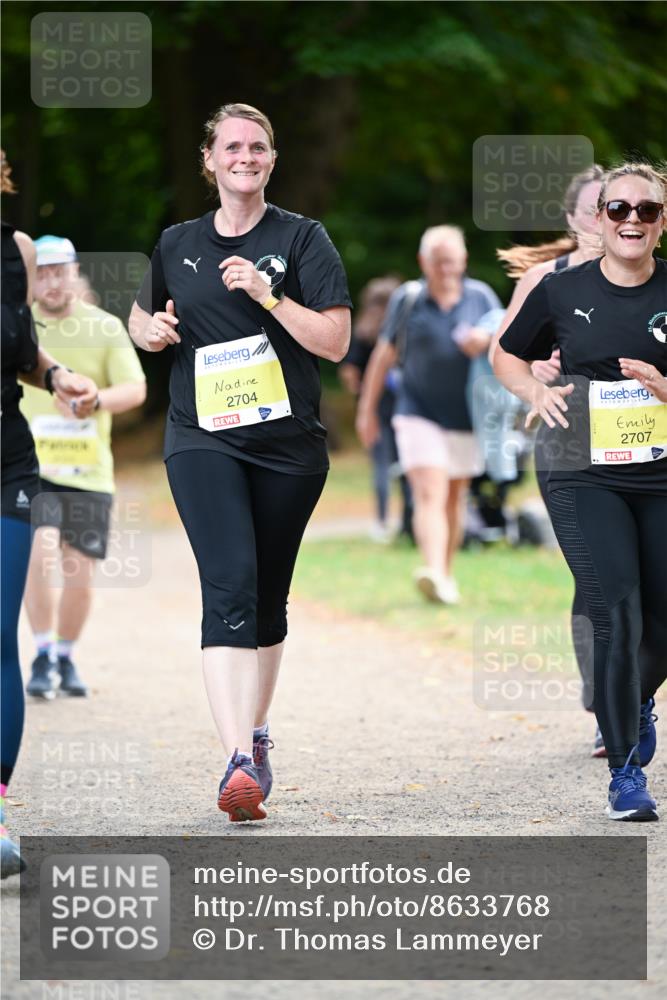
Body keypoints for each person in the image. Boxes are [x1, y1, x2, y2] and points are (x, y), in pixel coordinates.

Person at [128, 103, 351, 822]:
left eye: (258, 147)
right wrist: (154, 332)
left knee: (266, 599)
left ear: (271, 160)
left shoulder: (302, 238)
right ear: (210, 159)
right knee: (228, 584)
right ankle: (235, 761)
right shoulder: (176, 243)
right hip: (203, 437)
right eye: (232, 146)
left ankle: (255, 732)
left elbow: (336, 342)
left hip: (288, 448)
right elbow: (139, 317)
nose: (245, 156)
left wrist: (269, 293)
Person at [493, 161, 667, 821]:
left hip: (658, 470)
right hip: (578, 469)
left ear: (659, 222)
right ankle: (625, 773)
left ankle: (631, 696)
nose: (628, 220)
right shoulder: (560, 291)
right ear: (597, 219)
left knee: (659, 617)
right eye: (616, 209)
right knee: (615, 611)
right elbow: (505, 353)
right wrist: (532, 388)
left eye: (643, 211)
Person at [1, 152, 98, 876]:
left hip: (7, 460)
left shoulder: (18, 249)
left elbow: (23, 348)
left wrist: (58, 375)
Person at [491, 165, 606, 754]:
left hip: (641, 441)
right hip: (568, 438)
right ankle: (607, 701)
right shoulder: (545, 280)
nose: (608, 220)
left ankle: (626, 693)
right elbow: (506, 353)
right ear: (572, 219)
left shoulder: (651, 281)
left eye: (619, 207)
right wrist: (535, 376)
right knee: (595, 576)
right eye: (595, 209)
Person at [20, 236, 146, 699]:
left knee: (79, 573)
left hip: (89, 471)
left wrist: (96, 402)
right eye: (43, 272)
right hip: (30, 468)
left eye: (61, 271)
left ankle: (66, 655)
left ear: (76, 273)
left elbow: (135, 390)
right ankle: (40, 650)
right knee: (39, 549)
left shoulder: (104, 326)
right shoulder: (17, 325)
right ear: (31, 279)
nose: (53, 281)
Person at [356, 225, 500, 604]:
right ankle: (433, 569)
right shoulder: (409, 299)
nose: (446, 269)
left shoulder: (481, 297)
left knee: (454, 497)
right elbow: (383, 356)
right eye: (438, 262)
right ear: (424, 262)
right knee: (429, 491)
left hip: (468, 416)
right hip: (416, 410)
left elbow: (506, 345)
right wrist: (367, 411)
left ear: (464, 261)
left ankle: (445, 576)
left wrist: (486, 341)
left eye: (452, 261)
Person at [339, 276, 413, 542]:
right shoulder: (402, 325)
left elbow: (349, 370)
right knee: (406, 463)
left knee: (380, 465)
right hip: (403, 403)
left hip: (374, 407)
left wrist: (360, 392)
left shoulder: (363, 329)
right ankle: (409, 517)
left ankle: (381, 521)